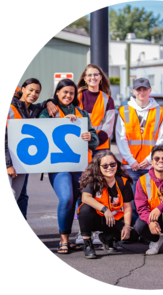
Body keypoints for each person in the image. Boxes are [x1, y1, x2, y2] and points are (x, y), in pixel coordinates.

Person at [39, 78, 99, 254]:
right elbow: (41, 133)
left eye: (71, 93)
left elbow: (95, 139)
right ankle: (63, 240)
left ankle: (83, 237)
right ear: (57, 93)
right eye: (64, 92)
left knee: (80, 201)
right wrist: (61, 123)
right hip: (58, 165)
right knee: (66, 199)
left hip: (80, 165)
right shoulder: (48, 111)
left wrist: (90, 138)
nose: (68, 95)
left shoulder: (82, 113)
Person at [116, 78, 163, 232]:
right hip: (130, 165)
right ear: (134, 91)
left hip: (150, 165)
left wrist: (148, 160)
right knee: (131, 200)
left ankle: (147, 231)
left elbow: (162, 139)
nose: (142, 92)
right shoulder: (124, 110)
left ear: (150, 91)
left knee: (150, 199)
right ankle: (133, 231)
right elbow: (121, 138)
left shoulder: (160, 111)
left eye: (145, 89)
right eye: (138, 90)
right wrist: (131, 161)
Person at [73, 64, 115, 246]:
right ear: (84, 78)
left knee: (99, 190)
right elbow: (70, 118)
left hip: (100, 151)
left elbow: (108, 127)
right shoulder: (76, 97)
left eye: (95, 75)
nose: (92, 78)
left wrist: (93, 139)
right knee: (81, 190)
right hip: (79, 149)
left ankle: (98, 231)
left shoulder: (107, 99)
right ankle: (82, 231)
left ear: (100, 77)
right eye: (89, 75)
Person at [5, 79, 58, 218]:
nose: (33, 94)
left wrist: (49, 102)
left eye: (37, 92)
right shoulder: (10, 108)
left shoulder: (34, 110)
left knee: (16, 196)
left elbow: (44, 103)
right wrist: (8, 164)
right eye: (31, 90)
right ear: (22, 89)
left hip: (21, 163)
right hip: (8, 162)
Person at [77, 150, 134, 259]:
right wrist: (105, 209)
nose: (109, 168)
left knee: (134, 230)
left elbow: (127, 208)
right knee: (85, 209)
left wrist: (126, 226)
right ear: (98, 167)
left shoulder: (123, 182)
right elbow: (85, 198)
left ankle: (107, 238)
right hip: (95, 219)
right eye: (105, 166)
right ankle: (88, 244)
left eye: (112, 164)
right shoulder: (93, 180)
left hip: (112, 220)